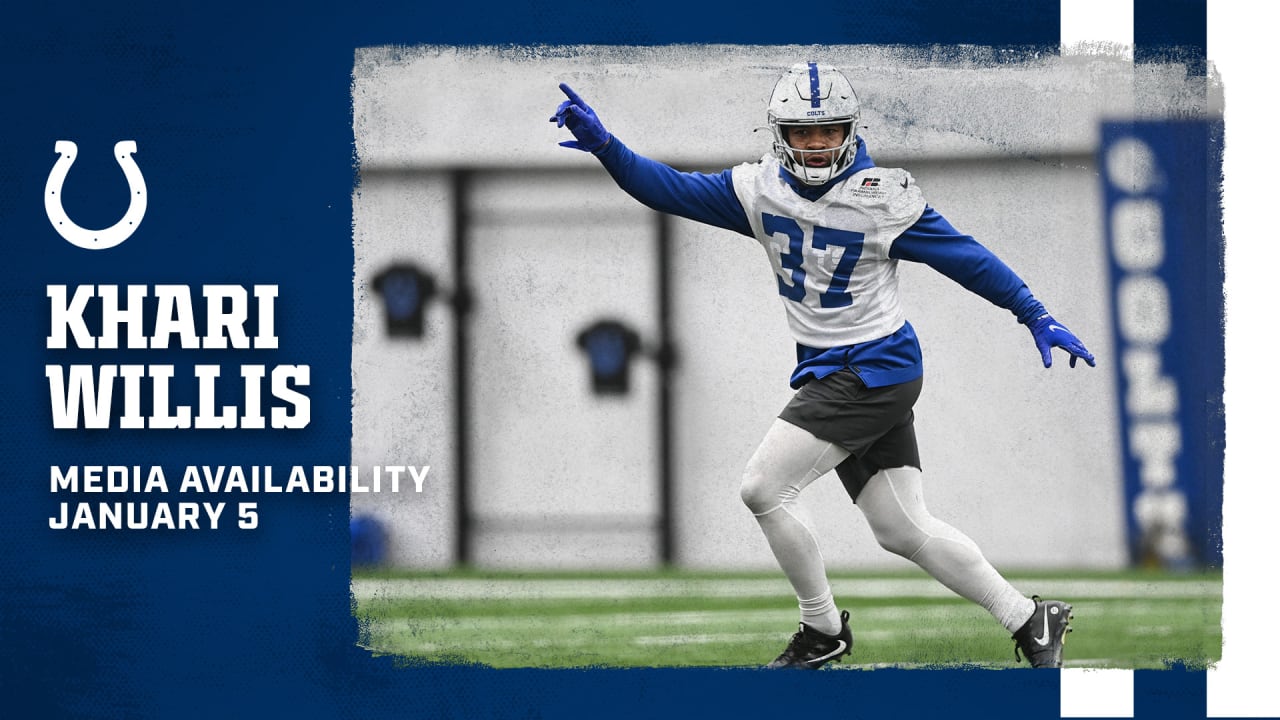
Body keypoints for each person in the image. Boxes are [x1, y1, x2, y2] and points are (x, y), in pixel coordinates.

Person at [549, 62, 1093, 670]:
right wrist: (606, 147)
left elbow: (966, 258)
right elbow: (666, 188)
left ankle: (822, 631)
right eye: (803, 133)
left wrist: (1033, 312)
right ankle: (1028, 618)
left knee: (763, 487)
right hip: (839, 371)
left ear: (850, 131)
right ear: (779, 134)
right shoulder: (758, 188)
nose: (815, 144)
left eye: (828, 131)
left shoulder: (883, 195)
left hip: (875, 364)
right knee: (901, 528)